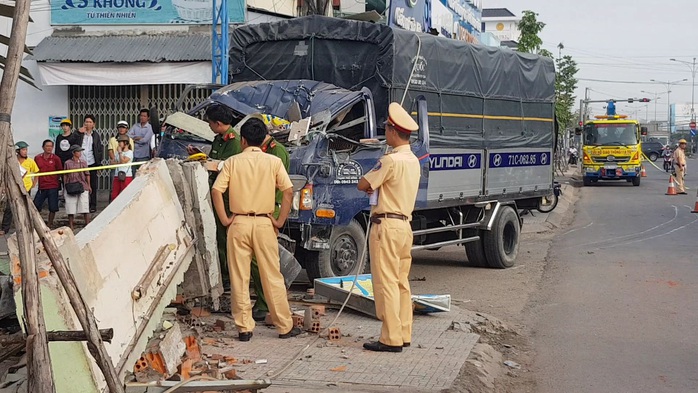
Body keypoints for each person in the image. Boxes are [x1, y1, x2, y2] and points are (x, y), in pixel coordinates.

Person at [211, 118, 301, 342]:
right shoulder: (273, 162)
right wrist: (279, 221)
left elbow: (216, 190)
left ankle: (244, 328)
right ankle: (284, 325)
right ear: (263, 140)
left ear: (242, 141)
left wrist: (225, 218)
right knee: (272, 275)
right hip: (264, 223)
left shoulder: (232, 162)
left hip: (238, 223)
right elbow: (288, 191)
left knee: (239, 277)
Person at [357, 103, 421, 353]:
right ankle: (404, 332)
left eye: (386, 127)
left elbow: (363, 184)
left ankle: (390, 338)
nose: (384, 131)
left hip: (386, 225)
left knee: (386, 282)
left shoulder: (390, 161)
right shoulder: (413, 161)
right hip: (405, 225)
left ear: (394, 131)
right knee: (402, 281)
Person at [187, 105, 242, 284]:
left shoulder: (234, 141)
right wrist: (200, 156)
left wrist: (210, 163)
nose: (209, 126)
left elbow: (226, 166)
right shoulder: (219, 139)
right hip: (215, 189)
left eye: (210, 123)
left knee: (224, 236)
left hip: (227, 193)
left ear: (218, 123)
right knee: (216, 233)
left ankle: (227, 275)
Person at [250, 120, 290, 322]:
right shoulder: (263, 150)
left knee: (265, 262)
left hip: (269, 208)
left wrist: (278, 218)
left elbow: (283, 187)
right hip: (259, 209)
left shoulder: (276, 151)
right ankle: (265, 301)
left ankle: (268, 304)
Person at [1, 141, 40, 236]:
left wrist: (33, 184)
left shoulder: (30, 161)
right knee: (9, 208)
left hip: (26, 188)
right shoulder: (12, 161)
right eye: (23, 150)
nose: (25, 151)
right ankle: (4, 228)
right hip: (14, 188)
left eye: (26, 149)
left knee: (27, 208)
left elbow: (36, 173)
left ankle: (28, 227)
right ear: (18, 151)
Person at [76, 115, 103, 213]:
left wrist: (99, 164)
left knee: (93, 185)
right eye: (86, 122)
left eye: (90, 122)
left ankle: (93, 205)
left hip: (92, 163)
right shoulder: (79, 134)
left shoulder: (96, 135)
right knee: (79, 184)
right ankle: (80, 205)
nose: (88, 124)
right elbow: (72, 143)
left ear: (94, 124)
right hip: (80, 163)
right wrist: (78, 133)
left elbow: (99, 150)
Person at [34, 139, 63, 227]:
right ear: (43, 147)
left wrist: (55, 180)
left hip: (53, 186)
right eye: (47, 146)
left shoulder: (56, 158)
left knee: (53, 207)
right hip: (42, 186)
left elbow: (60, 171)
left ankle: (50, 224)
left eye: (51, 146)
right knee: (35, 205)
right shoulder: (38, 158)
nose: (49, 148)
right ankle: (38, 224)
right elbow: (35, 171)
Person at [63, 145, 91, 230]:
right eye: (78, 151)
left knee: (84, 206)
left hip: (82, 184)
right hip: (71, 184)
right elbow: (65, 175)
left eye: (80, 151)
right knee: (70, 206)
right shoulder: (68, 163)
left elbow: (87, 174)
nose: (80, 153)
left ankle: (87, 224)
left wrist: (89, 185)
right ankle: (71, 226)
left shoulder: (83, 162)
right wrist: (65, 185)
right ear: (73, 153)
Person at [128, 109, 154, 174]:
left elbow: (145, 140)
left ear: (148, 118)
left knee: (141, 174)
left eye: (144, 116)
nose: (142, 117)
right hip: (134, 154)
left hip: (144, 155)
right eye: (141, 116)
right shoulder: (135, 126)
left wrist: (134, 139)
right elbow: (128, 135)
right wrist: (137, 138)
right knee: (132, 173)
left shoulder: (150, 128)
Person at [110, 134, 134, 200]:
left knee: (125, 195)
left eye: (120, 142)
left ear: (125, 143)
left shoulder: (130, 152)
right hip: (117, 175)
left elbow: (123, 161)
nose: (119, 144)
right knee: (114, 195)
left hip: (126, 176)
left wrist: (120, 153)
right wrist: (118, 161)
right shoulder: (117, 153)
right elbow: (112, 162)